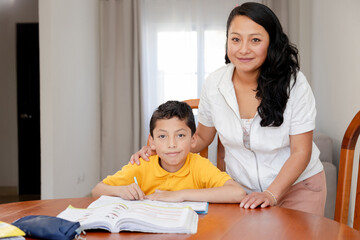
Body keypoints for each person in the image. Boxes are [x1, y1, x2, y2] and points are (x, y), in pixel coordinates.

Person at [130, 2, 326, 216]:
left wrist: (271, 194)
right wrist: (161, 147)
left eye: (255, 40)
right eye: (235, 39)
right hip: (243, 193)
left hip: (297, 189)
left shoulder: (294, 84)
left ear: (271, 43)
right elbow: (202, 137)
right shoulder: (214, 84)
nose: (243, 49)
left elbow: (301, 151)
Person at [92, 100, 246, 203]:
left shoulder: (199, 166)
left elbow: (238, 193)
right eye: (162, 136)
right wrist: (120, 190)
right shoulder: (142, 165)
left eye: (180, 135)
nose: (171, 144)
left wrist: (180, 195)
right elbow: (97, 190)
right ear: (152, 141)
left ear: (193, 139)